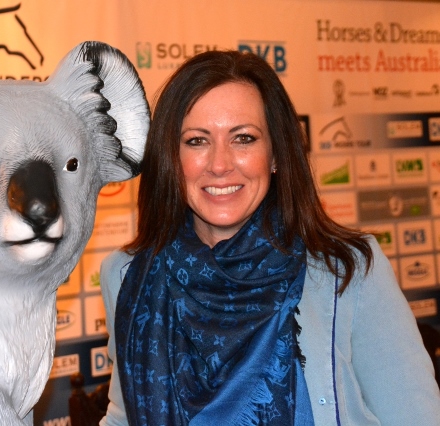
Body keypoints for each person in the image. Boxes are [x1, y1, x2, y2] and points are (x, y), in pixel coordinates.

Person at [99, 50, 440, 426]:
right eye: (197, 141)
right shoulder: (129, 277)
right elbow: (124, 415)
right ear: (170, 158)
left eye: (243, 138)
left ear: (275, 155)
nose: (220, 163)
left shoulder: (348, 270)